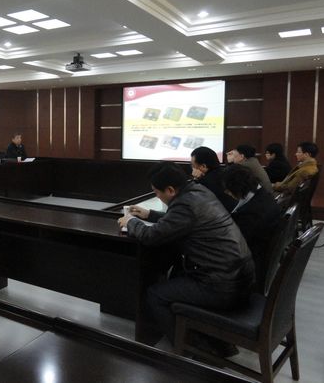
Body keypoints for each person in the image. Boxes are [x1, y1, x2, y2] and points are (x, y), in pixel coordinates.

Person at [118, 162, 253, 353]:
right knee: (175, 274)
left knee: (156, 294)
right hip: (240, 276)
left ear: (170, 190)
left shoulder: (185, 205)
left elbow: (151, 236)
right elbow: (180, 222)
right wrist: (149, 214)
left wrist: (131, 221)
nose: (157, 196)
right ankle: (201, 336)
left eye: (156, 192)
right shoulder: (199, 191)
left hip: (222, 286)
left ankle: (191, 348)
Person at [222, 165, 281, 292]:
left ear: (238, 187)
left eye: (228, 189)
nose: (226, 192)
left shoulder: (252, 213)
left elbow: (234, 245)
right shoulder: (262, 195)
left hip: (249, 267)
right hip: (258, 256)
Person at [190, 146, 236, 211]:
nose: (192, 168)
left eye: (193, 165)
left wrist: (195, 179)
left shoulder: (203, 183)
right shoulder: (225, 172)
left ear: (203, 166)